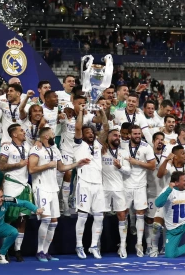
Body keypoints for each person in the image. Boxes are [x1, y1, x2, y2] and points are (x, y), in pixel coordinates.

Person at [29, 126, 90, 261]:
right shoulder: (36, 149)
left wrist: (77, 164)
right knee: (45, 219)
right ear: (46, 136)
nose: (54, 136)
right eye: (52, 134)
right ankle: (39, 251)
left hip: (53, 188)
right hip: (41, 187)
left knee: (54, 222)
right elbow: (31, 169)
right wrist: (47, 165)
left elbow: (61, 168)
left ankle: (46, 251)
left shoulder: (55, 149)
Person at [0, 185, 43, 264]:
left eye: (1, 196)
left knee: (14, 232)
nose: (0, 199)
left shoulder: (6, 199)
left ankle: (0, 254)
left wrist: (35, 209)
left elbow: (23, 203)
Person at [73, 110, 108, 259]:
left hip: (98, 184)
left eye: (92, 132)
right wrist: (81, 111)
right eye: (87, 132)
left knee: (99, 217)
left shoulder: (98, 145)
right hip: (84, 183)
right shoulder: (78, 145)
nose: (91, 134)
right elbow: (77, 127)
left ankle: (93, 245)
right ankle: (79, 245)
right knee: (82, 216)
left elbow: (106, 128)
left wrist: (102, 112)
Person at [122, 124, 156, 256]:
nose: (137, 136)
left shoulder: (146, 147)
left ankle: (139, 244)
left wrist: (137, 162)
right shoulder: (123, 145)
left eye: (139, 134)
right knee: (123, 215)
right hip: (125, 185)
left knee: (140, 214)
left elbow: (152, 166)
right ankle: (123, 244)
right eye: (135, 134)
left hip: (140, 186)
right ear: (129, 135)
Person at [0, 123, 31, 261]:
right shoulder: (7, 147)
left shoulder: (27, 146)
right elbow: (1, 166)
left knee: (22, 219)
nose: (24, 132)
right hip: (11, 184)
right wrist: (19, 164)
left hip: (23, 185)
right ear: (14, 134)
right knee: (8, 218)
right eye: (21, 131)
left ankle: (18, 250)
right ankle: (4, 250)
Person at [100, 125, 131, 258]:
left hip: (119, 188)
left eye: (119, 136)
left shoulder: (124, 152)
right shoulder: (101, 150)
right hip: (104, 188)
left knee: (122, 215)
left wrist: (120, 167)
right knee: (99, 216)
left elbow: (128, 171)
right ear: (108, 137)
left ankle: (122, 246)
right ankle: (97, 244)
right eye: (115, 135)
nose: (118, 137)